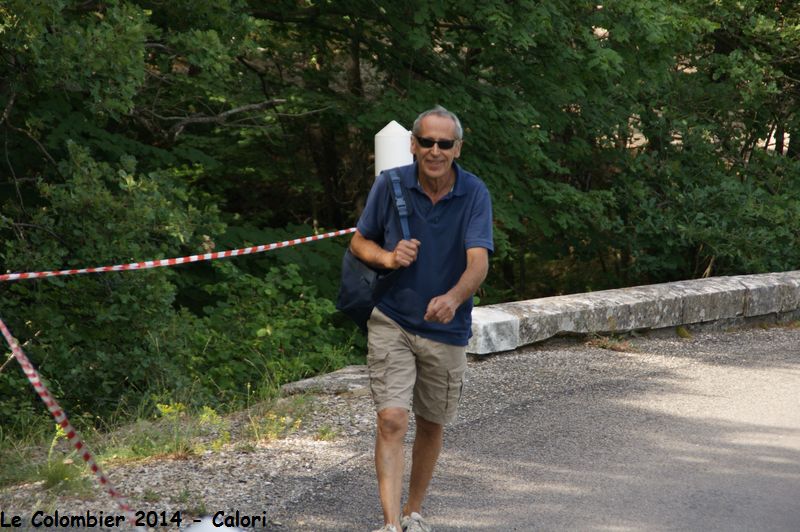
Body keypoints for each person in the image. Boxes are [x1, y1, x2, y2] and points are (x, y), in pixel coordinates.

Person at [350, 106, 493, 532]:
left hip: (446, 328)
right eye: (426, 141)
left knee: (431, 423)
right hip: (393, 318)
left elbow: (478, 262)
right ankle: (391, 524)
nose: (434, 150)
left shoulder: (474, 193)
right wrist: (389, 257)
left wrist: (453, 298)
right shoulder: (390, 184)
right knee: (392, 418)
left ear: (457, 149)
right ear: (413, 144)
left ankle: (413, 513)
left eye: (444, 143)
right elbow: (360, 243)